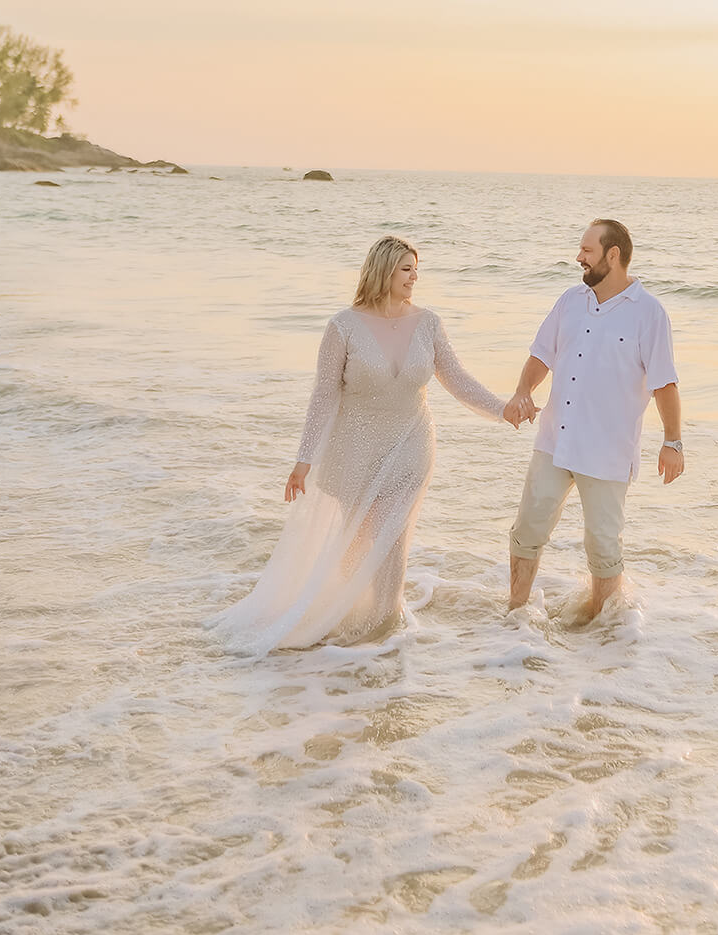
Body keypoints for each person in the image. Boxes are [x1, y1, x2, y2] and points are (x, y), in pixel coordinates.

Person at [215, 235, 519, 651]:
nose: (415, 277)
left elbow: (456, 378)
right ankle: (350, 609)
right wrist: (303, 460)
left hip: (412, 442)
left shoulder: (428, 323)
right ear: (383, 271)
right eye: (406, 269)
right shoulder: (343, 326)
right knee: (358, 537)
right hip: (353, 446)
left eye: (416, 268)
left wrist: (501, 409)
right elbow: (323, 395)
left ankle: (386, 619)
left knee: (391, 531)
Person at [503, 218, 683, 623]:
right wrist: (523, 392)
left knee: (602, 546)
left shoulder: (649, 313)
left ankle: (603, 628)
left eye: (587, 250)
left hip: (606, 451)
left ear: (613, 255)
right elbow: (541, 354)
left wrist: (672, 442)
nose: (578, 258)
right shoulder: (570, 300)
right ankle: (515, 613)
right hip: (555, 440)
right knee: (528, 529)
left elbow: (664, 383)